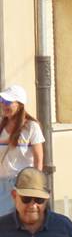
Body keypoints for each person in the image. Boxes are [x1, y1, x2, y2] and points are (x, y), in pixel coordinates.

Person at [0, 86, 45, 216]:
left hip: (22, 184)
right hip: (2, 184)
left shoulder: (31, 127)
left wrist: (36, 185)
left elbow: (38, 159)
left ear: (19, 104)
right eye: (2, 101)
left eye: (8, 102)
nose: (4, 105)